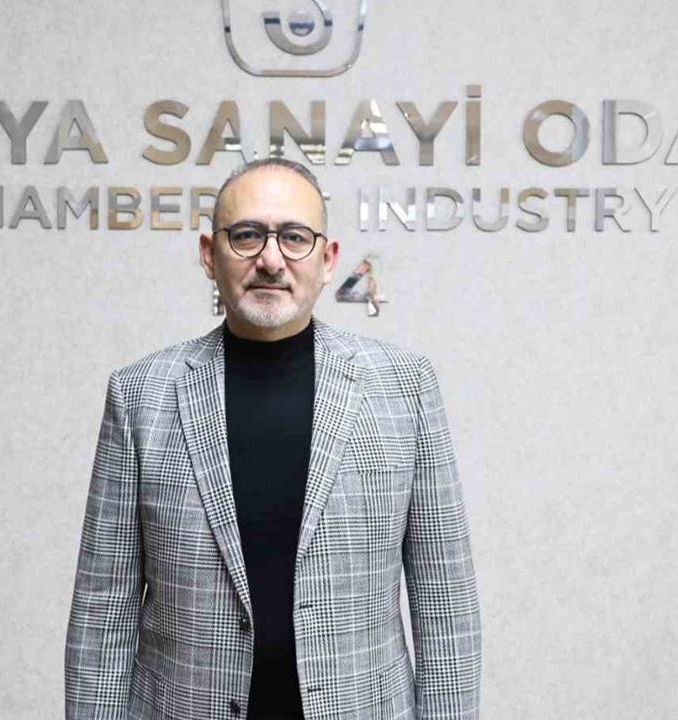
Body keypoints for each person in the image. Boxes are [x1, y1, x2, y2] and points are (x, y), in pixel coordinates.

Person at [64, 157, 482, 719]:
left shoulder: (405, 386)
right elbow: (102, 611)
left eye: (294, 237)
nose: (270, 259)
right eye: (246, 235)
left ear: (328, 260)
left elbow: (446, 601)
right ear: (209, 255)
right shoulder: (140, 394)